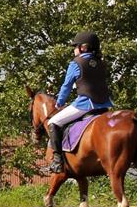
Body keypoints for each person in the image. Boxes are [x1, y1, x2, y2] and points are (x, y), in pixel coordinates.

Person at [39, 30, 113, 174]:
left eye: (75, 46)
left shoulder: (76, 63)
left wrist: (59, 102)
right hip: (105, 105)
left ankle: (57, 161)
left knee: (53, 122)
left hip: (85, 105)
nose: (74, 49)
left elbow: (66, 86)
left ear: (83, 47)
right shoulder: (101, 63)